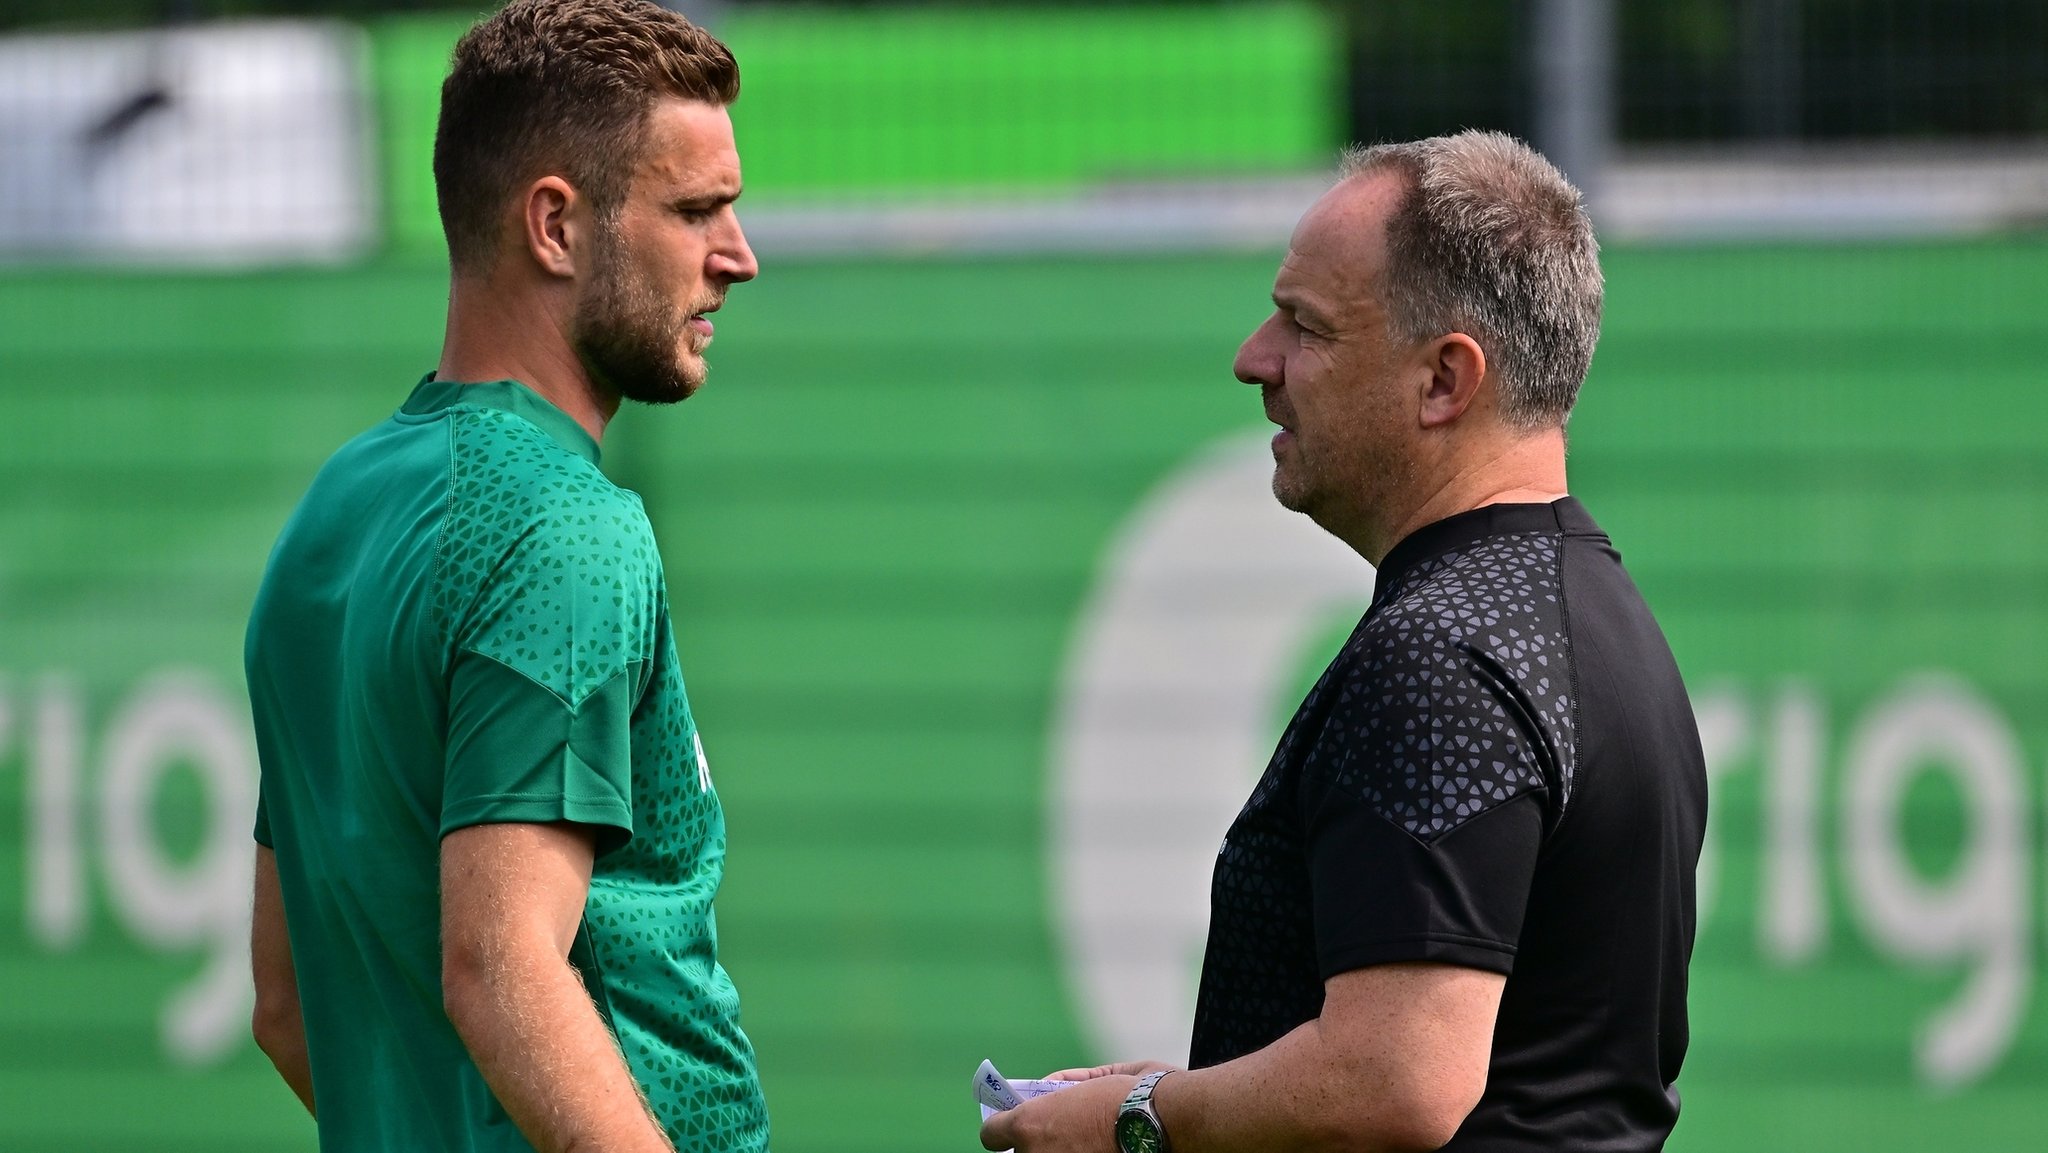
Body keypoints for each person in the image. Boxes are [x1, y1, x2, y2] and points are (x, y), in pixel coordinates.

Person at [984, 131, 1707, 1153]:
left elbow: (1399, 1078)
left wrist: (1142, 1121)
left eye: (1304, 326)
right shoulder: (1587, 611)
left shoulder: (1443, 655)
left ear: (1443, 381)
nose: (1254, 360)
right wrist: (1183, 1090)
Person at [242, 2, 763, 1150]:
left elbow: (285, 1009)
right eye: (694, 211)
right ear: (554, 226)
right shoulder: (563, 528)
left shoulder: (334, 511)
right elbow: (496, 966)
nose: (738, 254)